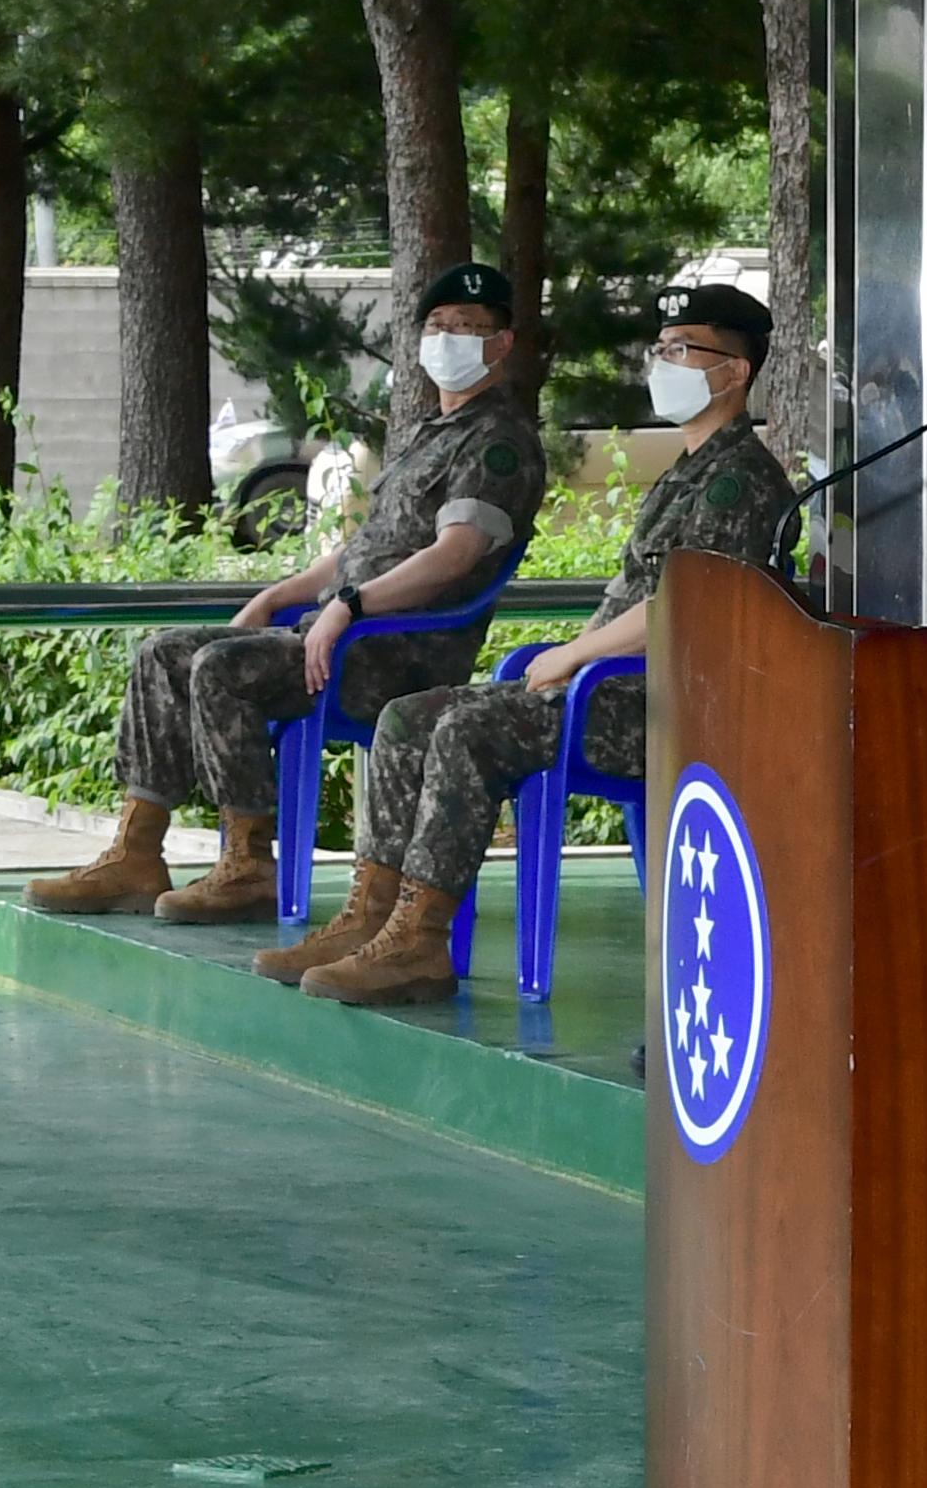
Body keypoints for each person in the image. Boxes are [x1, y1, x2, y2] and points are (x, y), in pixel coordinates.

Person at [257, 284, 794, 1004]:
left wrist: (575, 656)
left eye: (682, 351)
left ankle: (419, 942)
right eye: (658, 349)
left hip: (666, 705)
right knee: (409, 717)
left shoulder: (739, 481)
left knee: (470, 728)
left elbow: (686, 607)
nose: (662, 363)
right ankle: (375, 918)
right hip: (614, 686)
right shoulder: (689, 470)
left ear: (734, 372)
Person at [26, 262, 546, 922]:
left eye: (470, 328)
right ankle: (138, 851)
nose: (449, 338)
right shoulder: (426, 434)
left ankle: (249, 865)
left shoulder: (499, 441)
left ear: (502, 344)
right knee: (163, 654)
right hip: (343, 636)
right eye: (438, 326)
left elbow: (456, 555)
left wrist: (349, 607)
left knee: (223, 669)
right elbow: (355, 554)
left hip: (400, 654)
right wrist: (279, 596)